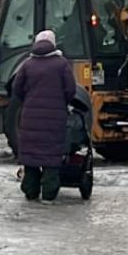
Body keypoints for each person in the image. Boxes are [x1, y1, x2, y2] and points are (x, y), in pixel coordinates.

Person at [12, 29, 76, 202]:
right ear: (53, 44)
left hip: (29, 118)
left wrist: (29, 101)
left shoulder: (27, 64)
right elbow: (71, 89)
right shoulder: (62, 64)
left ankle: (30, 191)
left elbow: (17, 89)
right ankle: (49, 194)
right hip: (55, 120)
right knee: (51, 159)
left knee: (31, 159)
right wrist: (62, 103)